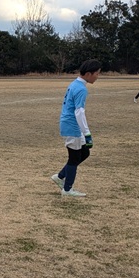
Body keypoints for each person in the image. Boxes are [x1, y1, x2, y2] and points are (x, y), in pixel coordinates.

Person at [51, 59, 101, 198]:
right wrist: (87, 133)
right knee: (74, 158)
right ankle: (67, 189)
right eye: (97, 74)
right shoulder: (81, 89)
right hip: (72, 126)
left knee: (84, 153)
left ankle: (60, 177)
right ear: (89, 74)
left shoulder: (75, 83)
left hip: (70, 124)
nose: (97, 77)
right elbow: (79, 112)